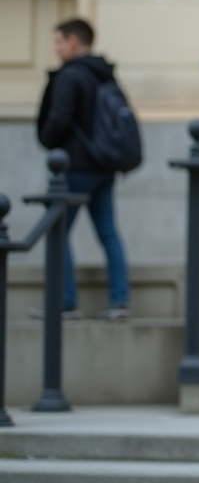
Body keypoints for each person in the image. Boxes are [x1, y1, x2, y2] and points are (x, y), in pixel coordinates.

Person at [34, 18, 131, 320]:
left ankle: (65, 302)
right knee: (108, 233)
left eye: (59, 42)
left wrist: (46, 137)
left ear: (73, 42)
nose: (57, 49)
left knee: (57, 231)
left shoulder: (70, 76)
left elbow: (59, 119)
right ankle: (119, 302)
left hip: (74, 167)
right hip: (104, 165)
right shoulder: (106, 76)